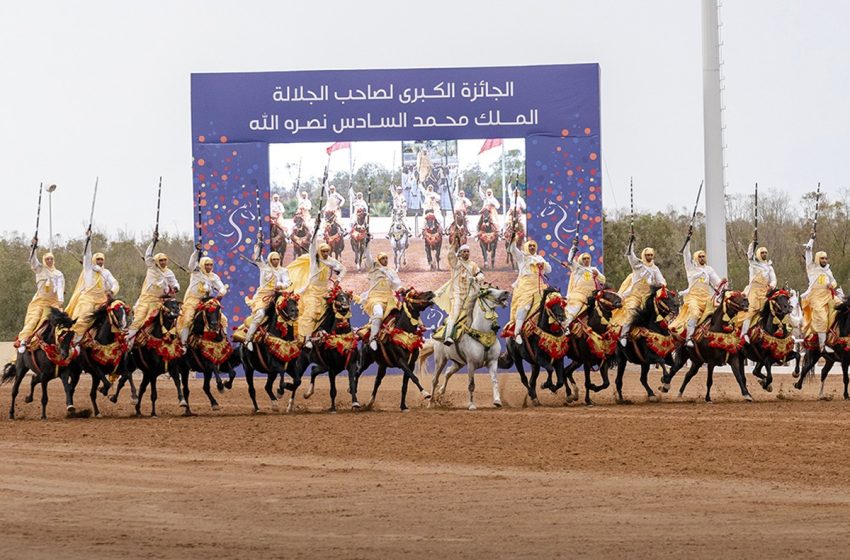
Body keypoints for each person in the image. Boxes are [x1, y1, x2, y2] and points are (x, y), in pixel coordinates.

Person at [287, 233, 346, 348]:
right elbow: (313, 245)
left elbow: (343, 269)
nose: (325, 253)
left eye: (327, 251)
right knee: (311, 312)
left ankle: (330, 334)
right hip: (311, 292)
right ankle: (307, 338)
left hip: (324, 292)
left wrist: (338, 280)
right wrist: (316, 230)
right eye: (323, 251)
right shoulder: (314, 259)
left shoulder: (330, 260)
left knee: (335, 310)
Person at [669, 236, 724, 347]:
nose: (702, 258)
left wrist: (723, 282)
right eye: (700, 257)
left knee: (721, 312)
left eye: (703, 256)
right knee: (694, 313)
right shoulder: (690, 267)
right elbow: (686, 254)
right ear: (696, 258)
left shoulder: (709, 269)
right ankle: (689, 338)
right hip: (693, 298)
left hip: (707, 298)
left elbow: (717, 282)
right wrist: (688, 240)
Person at [65, 234, 120, 344]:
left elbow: (115, 283)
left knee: (118, 315)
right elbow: (87, 254)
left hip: (102, 301)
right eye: (98, 259)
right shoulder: (88, 269)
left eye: (101, 259)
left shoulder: (106, 272)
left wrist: (112, 291)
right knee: (82, 320)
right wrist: (88, 240)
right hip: (87, 300)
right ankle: (74, 343)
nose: (100, 261)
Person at [127, 234, 180, 345]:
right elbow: (148, 255)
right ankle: (128, 344)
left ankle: (181, 343)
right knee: (138, 320)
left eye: (165, 260)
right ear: (156, 261)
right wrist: (153, 242)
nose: (163, 262)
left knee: (177, 317)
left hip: (160, 301)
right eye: (161, 260)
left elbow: (175, 282)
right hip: (146, 300)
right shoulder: (152, 267)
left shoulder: (169, 272)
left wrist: (176, 287)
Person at [614, 237, 666, 346]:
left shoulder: (655, 269)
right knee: (632, 311)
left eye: (651, 255)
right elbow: (630, 254)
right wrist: (631, 242)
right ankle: (623, 335)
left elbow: (661, 281)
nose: (649, 257)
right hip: (635, 295)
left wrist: (661, 284)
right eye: (648, 255)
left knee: (662, 311)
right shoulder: (637, 265)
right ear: (644, 255)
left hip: (648, 297)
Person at [16, 240, 65, 353]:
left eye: (51, 259)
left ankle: (62, 343)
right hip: (39, 301)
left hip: (53, 302)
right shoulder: (39, 269)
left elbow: (60, 287)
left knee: (56, 321)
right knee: (34, 319)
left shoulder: (58, 274)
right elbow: (32, 260)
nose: (49, 261)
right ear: (44, 260)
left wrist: (60, 300)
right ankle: (23, 340)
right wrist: (33, 247)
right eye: (47, 259)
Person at [178, 244, 228, 345]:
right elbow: (191, 265)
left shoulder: (213, 276)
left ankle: (225, 340)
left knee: (223, 319)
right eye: (206, 265)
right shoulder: (196, 272)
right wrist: (197, 251)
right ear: (202, 265)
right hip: (193, 300)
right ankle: (183, 344)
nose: (209, 267)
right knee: (187, 319)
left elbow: (222, 287)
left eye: (210, 265)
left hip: (207, 302)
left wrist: (220, 294)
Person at [801, 234, 843, 353]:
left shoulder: (827, 270)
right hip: (816, 298)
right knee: (822, 319)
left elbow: (834, 281)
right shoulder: (811, 267)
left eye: (825, 258)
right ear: (817, 259)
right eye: (822, 258)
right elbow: (808, 251)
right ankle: (822, 346)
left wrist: (832, 285)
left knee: (844, 308)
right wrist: (812, 239)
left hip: (829, 296)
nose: (824, 260)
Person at [359, 238, 402, 351]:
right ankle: (373, 338)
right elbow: (367, 257)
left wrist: (402, 289)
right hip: (375, 298)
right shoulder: (373, 268)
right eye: (383, 258)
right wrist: (366, 243)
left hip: (389, 299)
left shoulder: (391, 272)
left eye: (386, 258)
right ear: (378, 260)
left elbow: (397, 285)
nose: (385, 260)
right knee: (378, 312)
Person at [244, 246, 290, 350]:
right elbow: (258, 258)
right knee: (260, 314)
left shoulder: (283, 270)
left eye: (277, 259)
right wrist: (259, 243)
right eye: (274, 259)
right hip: (263, 296)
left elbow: (287, 282)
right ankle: (248, 339)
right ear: (269, 259)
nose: (276, 261)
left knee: (290, 312)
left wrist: (281, 285)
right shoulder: (264, 267)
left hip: (278, 295)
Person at [508, 239, 552, 343]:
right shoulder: (522, 257)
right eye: (530, 246)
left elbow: (549, 270)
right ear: (527, 247)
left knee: (552, 304)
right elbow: (513, 250)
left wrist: (543, 265)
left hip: (540, 286)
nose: (532, 247)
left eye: (533, 246)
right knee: (524, 307)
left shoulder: (539, 258)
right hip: (526, 287)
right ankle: (517, 332)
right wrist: (513, 239)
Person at [444, 241, 485, 346]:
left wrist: (475, 278)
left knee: (474, 314)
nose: (466, 253)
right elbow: (451, 255)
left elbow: (481, 275)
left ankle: (472, 335)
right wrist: (454, 243)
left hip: (470, 295)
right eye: (464, 252)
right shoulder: (456, 263)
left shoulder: (473, 264)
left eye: (468, 251)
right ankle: (448, 336)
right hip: (457, 295)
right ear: (460, 253)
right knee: (455, 314)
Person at [739, 239, 777, 342]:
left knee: (776, 308)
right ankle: (744, 333)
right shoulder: (753, 263)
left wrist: (772, 286)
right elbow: (750, 254)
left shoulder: (769, 267)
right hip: (754, 291)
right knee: (751, 310)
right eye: (762, 253)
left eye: (765, 253)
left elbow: (773, 279)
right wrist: (753, 243)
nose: (764, 254)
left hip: (765, 291)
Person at [564, 242, 606, 329]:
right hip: (579, 294)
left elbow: (603, 280)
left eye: (588, 258)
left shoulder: (594, 269)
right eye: (584, 259)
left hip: (593, 294)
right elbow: (570, 259)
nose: (586, 260)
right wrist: (574, 247)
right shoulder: (577, 268)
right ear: (581, 260)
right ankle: (565, 325)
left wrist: (597, 274)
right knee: (575, 308)